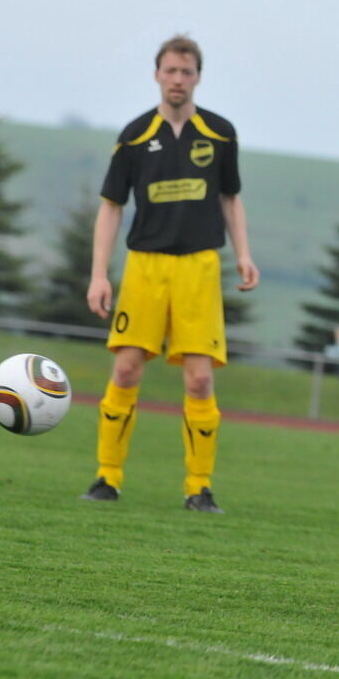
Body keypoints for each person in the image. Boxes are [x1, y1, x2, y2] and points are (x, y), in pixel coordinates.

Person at [81, 35, 259, 513]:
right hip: (144, 267)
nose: (178, 80)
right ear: (157, 74)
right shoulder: (135, 135)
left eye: (186, 72)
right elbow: (111, 207)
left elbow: (230, 198)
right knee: (125, 368)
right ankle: (107, 478)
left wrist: (243, 253)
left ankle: (198, 488)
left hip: (200, 267)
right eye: (170, 71)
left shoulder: (220, 133)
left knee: (200, 381)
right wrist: (100, 274)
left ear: (197, 76)